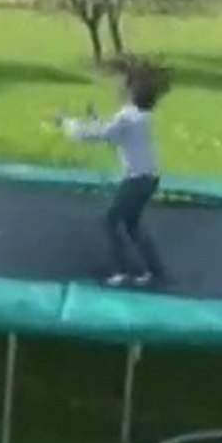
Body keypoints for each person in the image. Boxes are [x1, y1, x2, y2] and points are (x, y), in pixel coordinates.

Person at [56, 56, 172, 288]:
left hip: (136, 180)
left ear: (130, 92)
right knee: (131, 224)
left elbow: (95, 135)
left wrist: (67, 123)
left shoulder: (127, 117)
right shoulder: (142, 116)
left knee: (110, 222)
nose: (118, 89)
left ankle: (122, 272)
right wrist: (97, 120)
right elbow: (116, 135)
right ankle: (157, 271)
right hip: (150, 178)